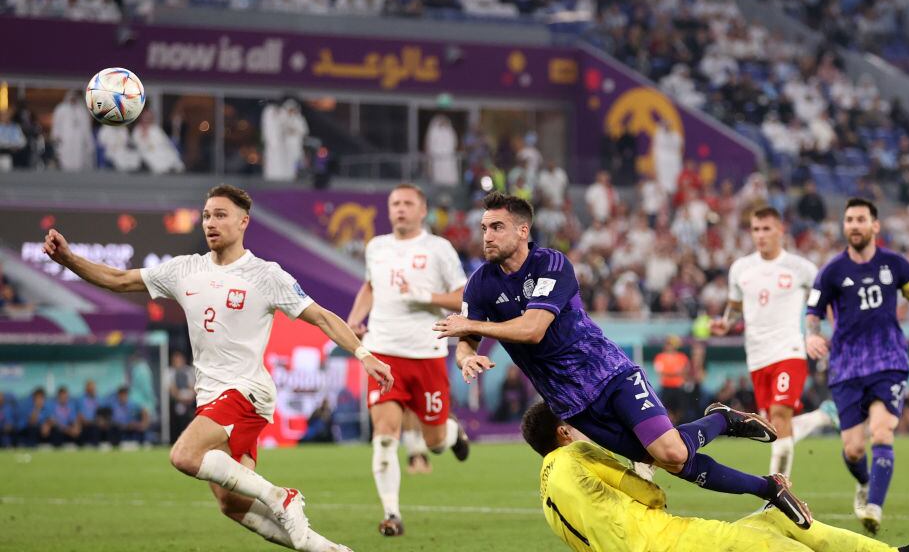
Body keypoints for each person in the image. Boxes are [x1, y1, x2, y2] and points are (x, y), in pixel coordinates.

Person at [42, 184, 394, 552]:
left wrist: (364, 354)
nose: (211, 222)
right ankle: (327, 549)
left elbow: (321, 317)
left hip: (246, 390)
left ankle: (282, 496)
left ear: (244, 222)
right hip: (211, 395)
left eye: (221, 215)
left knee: (184, 455)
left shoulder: (265, 274)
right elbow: (119, 280)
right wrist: (69, 260)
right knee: (231, 504)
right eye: (207, 215)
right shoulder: (185, 269)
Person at [434, 192, 813, 528]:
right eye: (484, 227)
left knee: (670, 452)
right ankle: (768, 484)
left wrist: (472, 324)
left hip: (609, 374)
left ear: (522, 231)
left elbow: (533, 328)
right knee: (672, 462)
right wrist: (467, 354)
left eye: (496, 227)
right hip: (571, 403)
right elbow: (465, 336)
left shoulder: (552, 265)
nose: (486, 236)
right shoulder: (481, 283)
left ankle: (725, 423)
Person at [521, 401, 909, 552]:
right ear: (563, 431)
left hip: (657, 543)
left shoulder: (546, 496)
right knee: (776, 547)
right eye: (575, 421)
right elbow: (650, 497)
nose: (584, 427)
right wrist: (644, 471)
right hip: (666, 544)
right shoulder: (577, 452)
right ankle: (721, 421)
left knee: (775, 520)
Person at [805, 197, 909, 534]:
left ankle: (874, 505)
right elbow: (812, 313)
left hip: (889, 360)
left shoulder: (896, 264)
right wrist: (811, 336)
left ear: (875, 225)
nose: (854, 225)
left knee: (882, 431)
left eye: (860, 219)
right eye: (849, 220)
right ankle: (863, 483)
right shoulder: (831, 271)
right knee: (854, 448)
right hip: (846, 366)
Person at [345, 183, 470, 537]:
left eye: (407, 203)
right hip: (382, 351)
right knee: (385, 435)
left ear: (422, 209)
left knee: (435, 441)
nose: (400, 208)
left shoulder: (438, 248)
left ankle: (452, 431)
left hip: (427, 353)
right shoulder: (377, 247)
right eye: (395, 203)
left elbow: (463, 296)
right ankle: (392, 515)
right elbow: (370, 286)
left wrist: (424, 295)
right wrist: (356, 318)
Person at [711, 206, 837, 478]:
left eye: (766, 228)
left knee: (780, 415)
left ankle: (778, 495)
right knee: (775, 428)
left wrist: (823, 330)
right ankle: (821, 417)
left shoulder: (801, 268)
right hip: (757, 355)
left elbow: (822, 302)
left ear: (780, 230)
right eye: (756, 229)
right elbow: (734, 306)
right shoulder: (741, 269)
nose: (760, 235)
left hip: (789, 350)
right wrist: (726, 323)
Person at [652, 335, 689, 424]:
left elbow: (685, 371)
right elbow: (660, 372)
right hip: (666, 387)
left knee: (680, 408)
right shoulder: (660, 357)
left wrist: (671, 373)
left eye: (670, 344)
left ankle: (676, 423)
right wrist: (675, 373)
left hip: (678, 387)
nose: (669, 346)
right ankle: (670, 424)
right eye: (668, 344)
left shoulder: (681, 357)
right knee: (665, 408)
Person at [168, 350, 197, 442]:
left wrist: (189, 399)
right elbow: (172, 390)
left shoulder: (189, 371)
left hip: (190, 402)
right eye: (175, 361)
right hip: (176, 403)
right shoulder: (169, 372)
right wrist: (181, 399)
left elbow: (193, 387)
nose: (178, 363)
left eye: (179, 360)